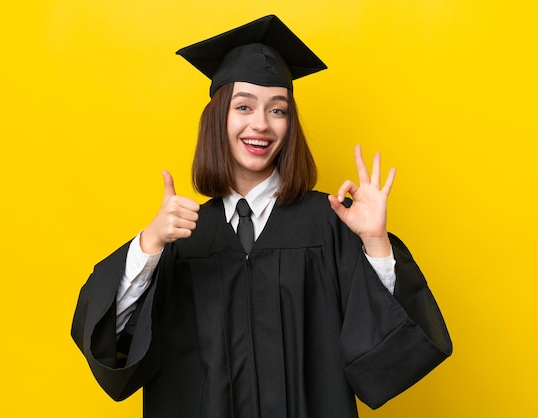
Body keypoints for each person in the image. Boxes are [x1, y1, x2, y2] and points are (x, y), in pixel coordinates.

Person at [71, 15, 452, 418]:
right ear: (218, 117)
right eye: (244, 106)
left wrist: (375, 243)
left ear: (290, 125)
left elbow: (390, 353)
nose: (261, 124)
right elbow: (112, 344)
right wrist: (149, 246)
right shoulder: (182, 237)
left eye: (278, 110)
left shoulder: (328, 225)